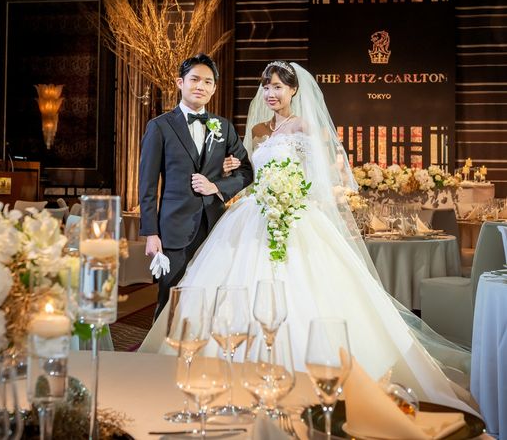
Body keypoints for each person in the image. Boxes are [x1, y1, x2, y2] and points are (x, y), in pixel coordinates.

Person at [140, 60, 474, 413]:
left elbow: (318, 178)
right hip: (252, 214)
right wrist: (233, 170)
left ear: (293, 90)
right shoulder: (256, 130)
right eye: (266, 87)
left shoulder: (305, 126)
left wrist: (289, 199)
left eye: (278, 87)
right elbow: (249, 171)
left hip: (293, 213)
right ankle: (203, 375)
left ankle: (303, 382)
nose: (270, 93)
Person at [139, 54, 253, 317]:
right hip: (174, 231)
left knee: (210, 302)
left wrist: (217, 187)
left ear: (214, 89)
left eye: (207, 82)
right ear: (180, 82)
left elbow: (247, 171)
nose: (200, 86)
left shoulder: (223, 127)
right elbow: (147, 185)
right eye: (194, 79)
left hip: (216, 230)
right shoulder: (159, 127)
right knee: (170, 303)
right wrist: (151, 233)